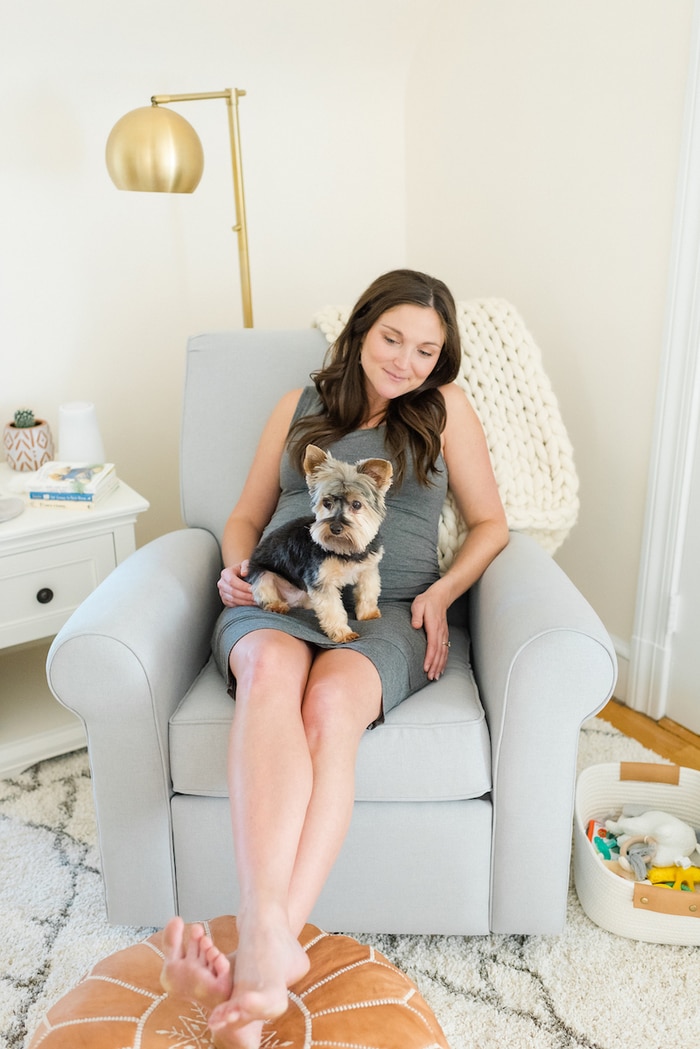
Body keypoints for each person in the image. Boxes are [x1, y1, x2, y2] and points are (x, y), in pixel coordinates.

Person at [160, 269, 509, 1048]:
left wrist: (444, 594)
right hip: (282, 590)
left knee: (333, 704)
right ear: (360, 330)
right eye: (393, 339)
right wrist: (236, 566)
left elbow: (491, 524)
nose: (407, 361)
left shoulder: (444, 411)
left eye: (427, 350)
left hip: (387, 604)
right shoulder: (297, 408)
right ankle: (267, 935)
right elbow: (248, 513)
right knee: (269, 673)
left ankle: (264, 950)